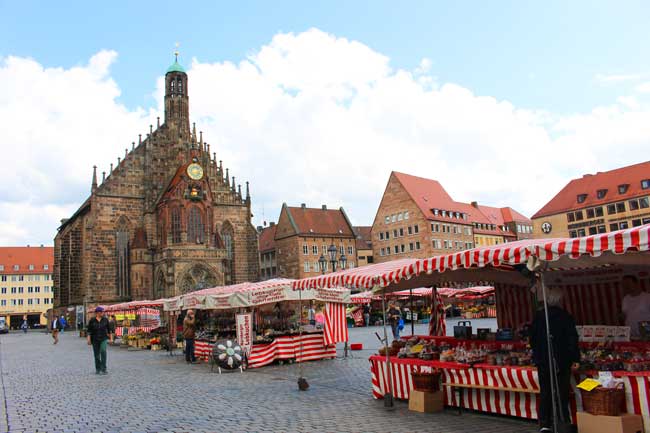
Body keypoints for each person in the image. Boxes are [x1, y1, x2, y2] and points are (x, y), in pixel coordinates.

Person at [529, 288, 579, 433]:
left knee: (546, 391)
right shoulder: (565, 316)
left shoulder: (539, 316)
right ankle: (564, 419)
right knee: (561, 391)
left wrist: (537, 354)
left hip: (543, 359)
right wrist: (575, 358)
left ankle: (545, 422)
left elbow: (532, 338)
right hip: (562, 359)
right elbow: (572, 338)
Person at [86, 306, 114, 375]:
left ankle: (104, 368)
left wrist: (111, 338)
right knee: (96, 355)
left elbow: (109, 330)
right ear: (97, 313)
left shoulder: (105, 320)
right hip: (94, 339)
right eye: (101, 312)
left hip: (103, 338)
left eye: (103, 312)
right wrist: (88, 339)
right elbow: (89, 331)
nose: (103, 313)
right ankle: (98, 368)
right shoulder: (92, 320)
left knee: (103, 351)